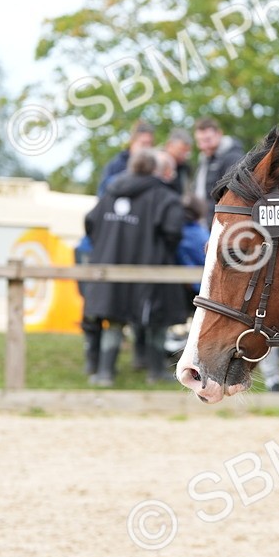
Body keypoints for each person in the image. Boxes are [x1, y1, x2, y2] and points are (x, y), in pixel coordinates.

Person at [83, 149, 187, 386]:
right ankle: (155, 372)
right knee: (154, 320)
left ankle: (104, 374)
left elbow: (90, 222)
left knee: (114, 319)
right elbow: (173, 232)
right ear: (154, 169)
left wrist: (107, 245)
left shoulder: (110, 191)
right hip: (150, 272)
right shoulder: (164, 196)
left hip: (110, 268)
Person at [191, 117, 244, 227]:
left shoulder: (233, 158)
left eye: (207, 140)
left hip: (219, 223)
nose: (203, 146)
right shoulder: (205, 158)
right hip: (204, 221)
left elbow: (231, 195)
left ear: (219, 134)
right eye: (200, 141)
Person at [97, 120, 155, 197]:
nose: (147, 148)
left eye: (150, 144)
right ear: (132, 142)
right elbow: (103, 193)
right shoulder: (116, 165)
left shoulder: (155, 167)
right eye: (143, 144)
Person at [163, 129, 194, 196]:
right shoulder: (155, 165)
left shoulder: (185, 168)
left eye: (187, 152)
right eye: (181, 151)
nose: (184, 155)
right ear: (169, 145)